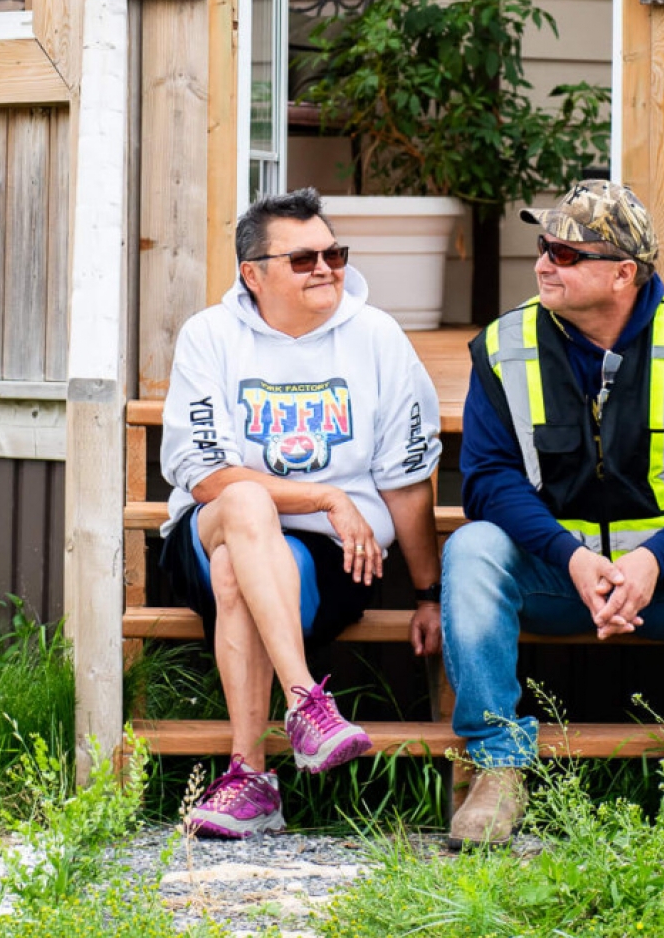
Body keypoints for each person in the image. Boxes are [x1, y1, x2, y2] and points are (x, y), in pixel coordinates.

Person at [441, 179, 664, 847]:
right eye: (543, 246)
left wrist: (654, 558)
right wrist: (573, 558)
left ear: (623, 272)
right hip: (554, 578)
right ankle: (498, 766)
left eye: (565, 253)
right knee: (471, 546)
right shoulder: (504, 345)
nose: (543, 263)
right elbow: (487, 479)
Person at [158, 188, 445, 839]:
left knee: (240, 568)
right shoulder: (211, 335)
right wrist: (326, 494)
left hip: (326, 559)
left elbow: (405, 478)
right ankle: (306, 701)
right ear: (252, 274)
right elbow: (208, 478)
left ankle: (251, 779)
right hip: (206, 534)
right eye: (304, 258)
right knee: (243, 504)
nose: (326, 268)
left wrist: (428, 592)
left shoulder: (376, 337)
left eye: (334, 253)